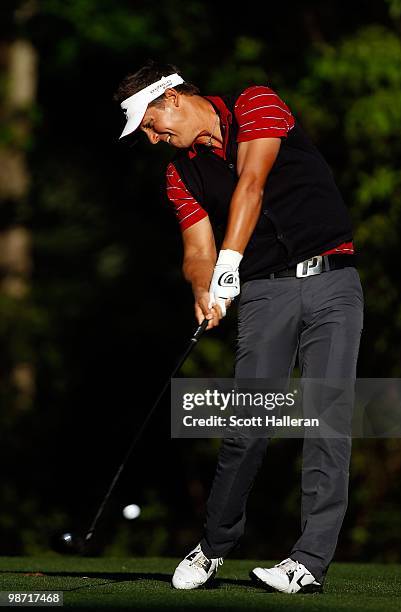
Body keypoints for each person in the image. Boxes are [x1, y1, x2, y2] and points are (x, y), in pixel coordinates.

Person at [114, 60, 364, 594]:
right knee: (247, 424)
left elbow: (251, 183)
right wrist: (206, 288)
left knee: (326, 424)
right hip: (267, 294)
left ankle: (308, 562)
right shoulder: (179, 173)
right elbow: (196, 251)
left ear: (173, 99)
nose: (156, 140)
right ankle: (213, 546)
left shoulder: (257, 103)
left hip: (333, 280)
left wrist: (229, 264)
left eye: (153, 126)